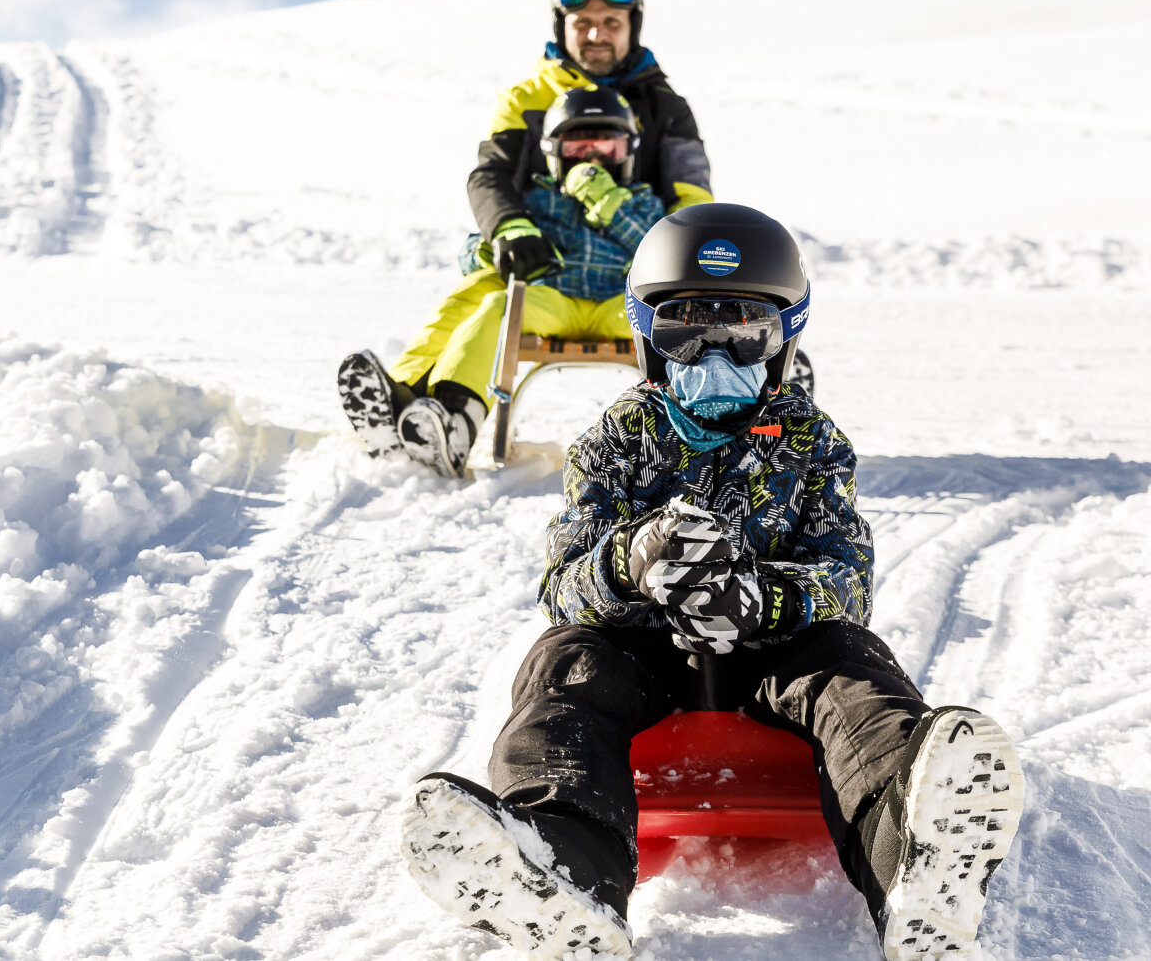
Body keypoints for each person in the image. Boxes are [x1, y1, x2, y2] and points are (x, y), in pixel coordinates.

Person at [398, 204, 1026, 960]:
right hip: (643, 652)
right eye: (686, 330)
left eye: (744, 332)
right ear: (646, 336)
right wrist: (628, 559)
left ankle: (913, 859)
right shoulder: (616, 440)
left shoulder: (812, 441)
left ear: (784, 340)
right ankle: (564, 864)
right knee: (563, 662)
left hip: (775, 651)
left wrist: (770, 598)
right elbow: (562, 579)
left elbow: (846, 575)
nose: (715, 353)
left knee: (853, 666)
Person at [339, 0, 712, 460]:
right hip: (545, 263)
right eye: (583, 24)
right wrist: (508, 230)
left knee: (688, 317)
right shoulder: (528, 97)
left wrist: (681, 258)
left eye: (610, 23)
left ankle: (740, 407)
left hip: (631, 272)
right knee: (482, 292)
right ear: (563, 27)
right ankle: (412, 406)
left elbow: (690, 193)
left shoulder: (664, 106)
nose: (596, 35)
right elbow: (491, 175)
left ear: (631, 27)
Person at [394, 85, 665, 476]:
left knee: (667, 322)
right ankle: (455, 416)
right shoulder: (538, 198)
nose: (592, 158)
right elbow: (483, 243)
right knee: (497, 308)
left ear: (627, 154)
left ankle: (685, 434)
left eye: (607, 149)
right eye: (576, 149)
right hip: (554, 301)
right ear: (553, 154)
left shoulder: (641, 200)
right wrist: (490, 251)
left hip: (617, 305)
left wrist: (606, 199)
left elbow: (657, 247)